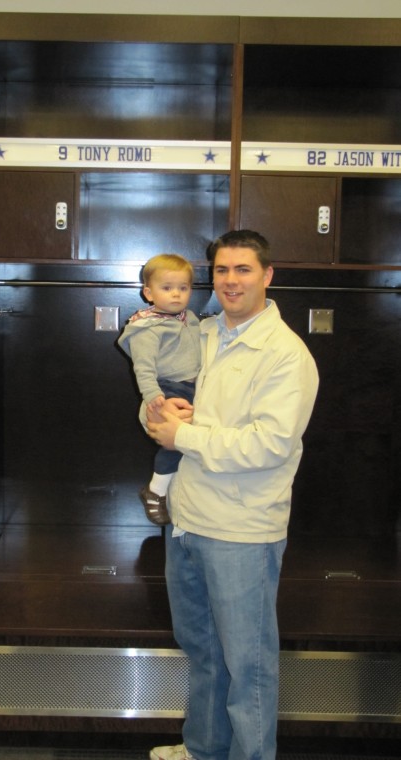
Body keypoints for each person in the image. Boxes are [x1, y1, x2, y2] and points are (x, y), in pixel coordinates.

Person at [145, 230, 319, 760]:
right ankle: (203, 750)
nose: (230, 280)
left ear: (268, 276)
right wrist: (156, 414)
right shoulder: (203, 332)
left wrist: (184, 438)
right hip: (189, 522)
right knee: (202, 652)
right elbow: (164, 398)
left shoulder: (287, 354)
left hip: (242, 533)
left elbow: (269, 445)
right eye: (222, 270)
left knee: (249, 665)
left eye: (243, 270)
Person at [118, 253, 201, 526]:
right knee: (176, 441)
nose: (176, 294)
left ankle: (176, 492)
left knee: (193, 444)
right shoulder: (147, 327)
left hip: (194, 387)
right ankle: (155, 491)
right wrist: (153, 396)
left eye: (183, 288)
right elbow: (143, 367)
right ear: (148, 293)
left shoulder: (188, 318)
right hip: (167, 388)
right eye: (167, 288)